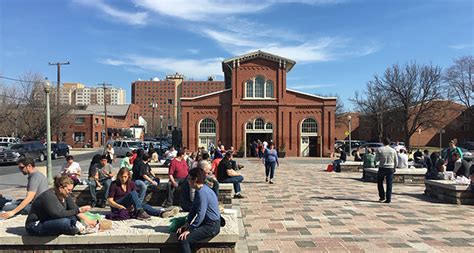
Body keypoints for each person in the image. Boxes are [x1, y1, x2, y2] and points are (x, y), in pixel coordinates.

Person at [25, 176, 97, 236]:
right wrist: (78, 210)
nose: (70, 192)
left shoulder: (66, 195)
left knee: (73, 218)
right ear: (61, 188)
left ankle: (77, 227)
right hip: (35, 225)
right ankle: (78, 229)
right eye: (69, 190)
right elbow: (58, 214)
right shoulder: (48, 196)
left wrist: (89, 221)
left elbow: (74, 209)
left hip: (48, 220)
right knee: (65, 222)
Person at [177, 167, 221, 253]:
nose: (188, 181)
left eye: (189, 179)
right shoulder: (200, 189)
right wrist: (187, 223)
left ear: (195, 179)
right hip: (207, 222)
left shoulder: (202, 192)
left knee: (184, 240)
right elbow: (193, 208)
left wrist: (190, 230)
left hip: (211, 226)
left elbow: (201, 214)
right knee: (181, 233)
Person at [108, 168, 179, 220]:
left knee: (144, 205)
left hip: (128, 204)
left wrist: (133, 205)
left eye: (125, 177)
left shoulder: (131, 183)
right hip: (117, 204)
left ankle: (161, 213)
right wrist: (119, 206)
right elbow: (110, 201)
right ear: (119, 176)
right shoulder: (114, 184)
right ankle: (140, 211)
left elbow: (134, 198)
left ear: (128, 176)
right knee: (132, 194)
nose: (123, 179)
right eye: (122, 177)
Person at [375, 138, 397, 203]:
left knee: (380, 182)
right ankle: (388, 198)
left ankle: (382, 197)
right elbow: (396, 160)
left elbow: (376, 159)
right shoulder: (393, 150)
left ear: (383, 142)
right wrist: (395, 167)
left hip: (382, 167)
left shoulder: (380, 149)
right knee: (389, 184)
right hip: (390, 168)